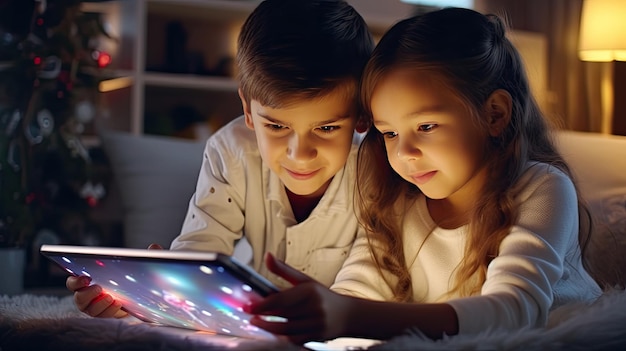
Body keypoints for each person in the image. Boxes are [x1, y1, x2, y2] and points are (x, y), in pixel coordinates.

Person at [242, 7, 603, 344]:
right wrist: (316, 321)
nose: (403, 153)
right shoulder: (397, 203)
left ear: (494, 114)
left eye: (426, 126)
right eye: (389, 133)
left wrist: (350, 316)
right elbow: (361, 288)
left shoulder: (542, 188)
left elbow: (516, 311)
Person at [66, 0, 373, 319]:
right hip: (259, 320)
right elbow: (201, 245)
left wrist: (339, 317)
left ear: (361, 116)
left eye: (326, 128)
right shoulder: (232, 149)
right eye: (277, 126)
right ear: (248, 109)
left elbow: (373, 276)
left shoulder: (372, 167)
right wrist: (152, 296)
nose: (300, 154)